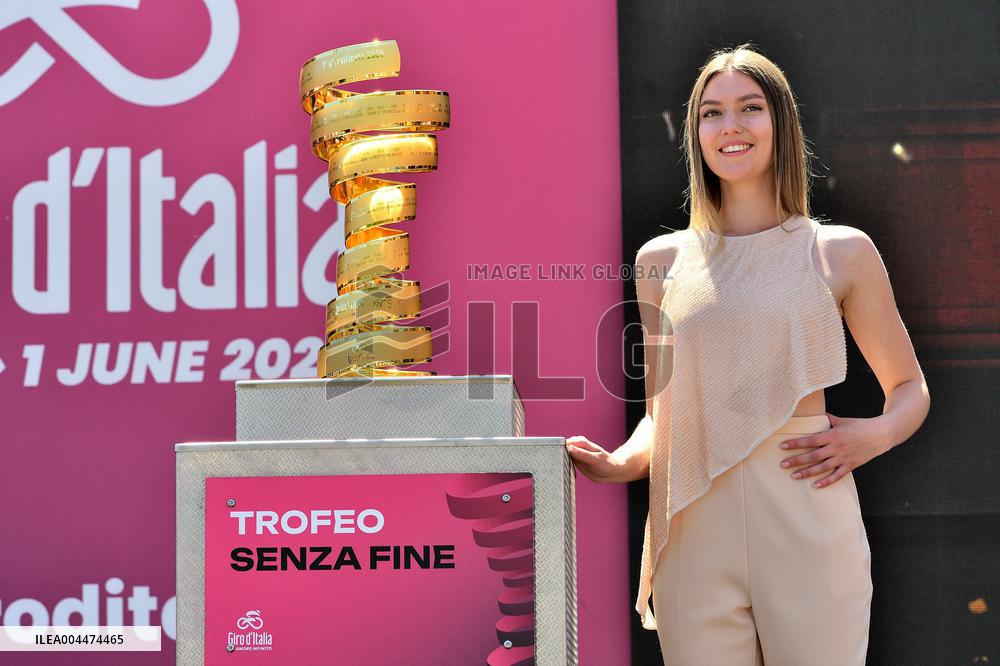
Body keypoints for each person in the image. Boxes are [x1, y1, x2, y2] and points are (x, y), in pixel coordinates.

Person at [566, 43, 930, 665]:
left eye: (750, 108)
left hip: (805, 508)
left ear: (780, 124)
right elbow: (663, 414)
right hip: (690, 525)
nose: (730, 126)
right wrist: (621, 463)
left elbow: (909, 391)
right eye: (711, 113)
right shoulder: (660, 262)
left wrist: (871, 437)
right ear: (695, 132)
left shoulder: (840, 252)